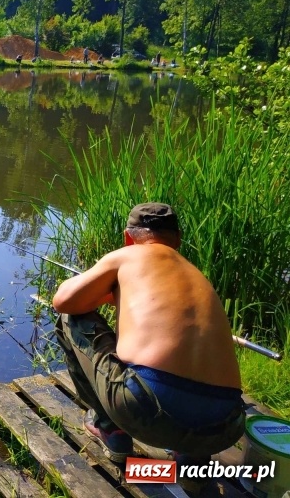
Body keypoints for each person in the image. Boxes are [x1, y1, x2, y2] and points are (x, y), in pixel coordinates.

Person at [52, 203, 244, 491]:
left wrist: (104, 293)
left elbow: (63, 301)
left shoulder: (128, 255)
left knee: (71, 318)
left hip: (150, 413)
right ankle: (193, 461)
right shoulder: (197, 275)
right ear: (177, 238)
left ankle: (110, 429)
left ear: (129, 237)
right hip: (225, 425)